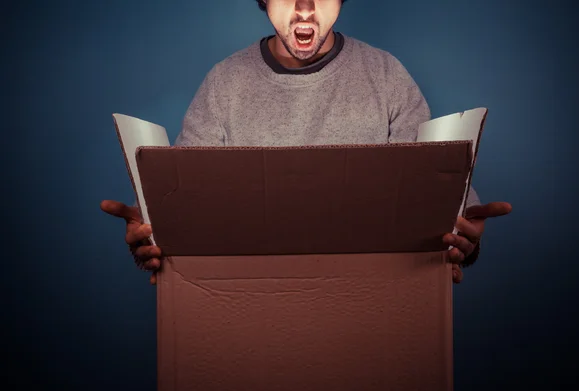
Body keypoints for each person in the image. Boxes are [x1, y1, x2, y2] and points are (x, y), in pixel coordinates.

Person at [101, 0, 511, 285]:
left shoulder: (386, 77)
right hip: (252, 314)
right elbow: (182, 222)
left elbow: (444, 216)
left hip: (367, 310)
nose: (304, 9)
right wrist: (152, 242)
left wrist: (465, 244)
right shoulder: (225, 85)